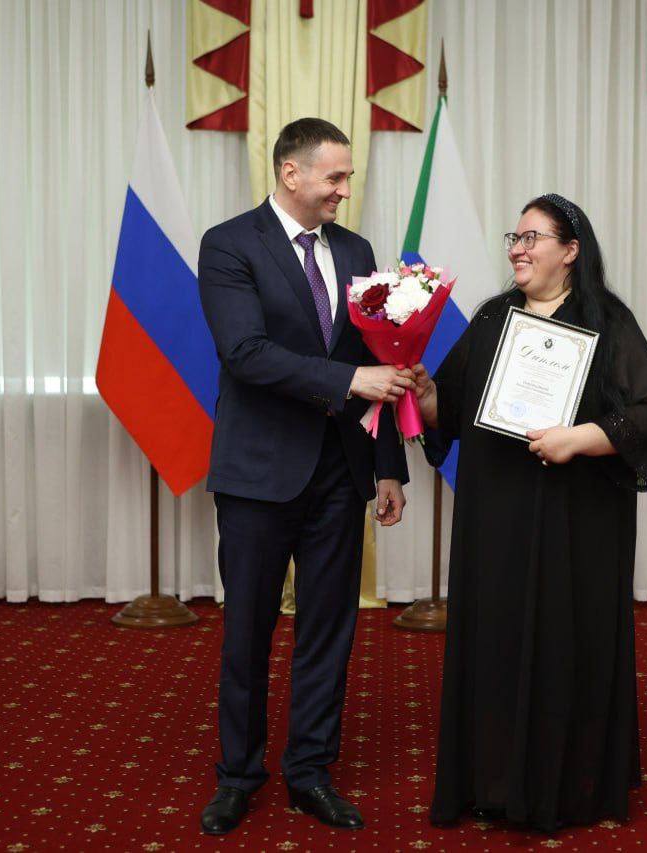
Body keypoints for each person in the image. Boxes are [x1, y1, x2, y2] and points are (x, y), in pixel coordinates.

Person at [413, 194, 647, 831]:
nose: (518, 250)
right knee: (496, 636)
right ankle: (494, 782)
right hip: (497, 512)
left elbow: (646, 413)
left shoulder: (608, 321)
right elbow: (448, 409)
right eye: (515, 238)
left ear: (571, 251)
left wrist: (576, 439)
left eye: (532, 238)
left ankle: (569, 787)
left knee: (566, 639)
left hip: (578, 519)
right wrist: (421, 391)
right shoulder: (492, 317)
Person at [196, 118, 414, 835]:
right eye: (335, 176)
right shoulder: (229, 244)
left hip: (340, 472)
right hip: (258, 473)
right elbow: (245, 352)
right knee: (247, 632)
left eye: (348, 176)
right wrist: (350, 378)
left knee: (329, 631)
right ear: (292, 173)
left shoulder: (357, 251)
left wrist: (388, 468)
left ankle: (310, 772)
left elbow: (380, 364)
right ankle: (238, 776)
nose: (345, 189)